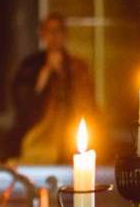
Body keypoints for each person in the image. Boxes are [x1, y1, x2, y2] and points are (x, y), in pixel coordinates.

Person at [11, 14, 98, 164]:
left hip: (71, 125)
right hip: (40, 125)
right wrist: (44, 75)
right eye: (49, 31)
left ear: (65, 34)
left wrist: (64, 75)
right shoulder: (31, 65)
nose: (54, 37)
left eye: (58, 31)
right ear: (42, 35)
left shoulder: (77, 66)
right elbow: (22, 98)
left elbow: (87, 99)